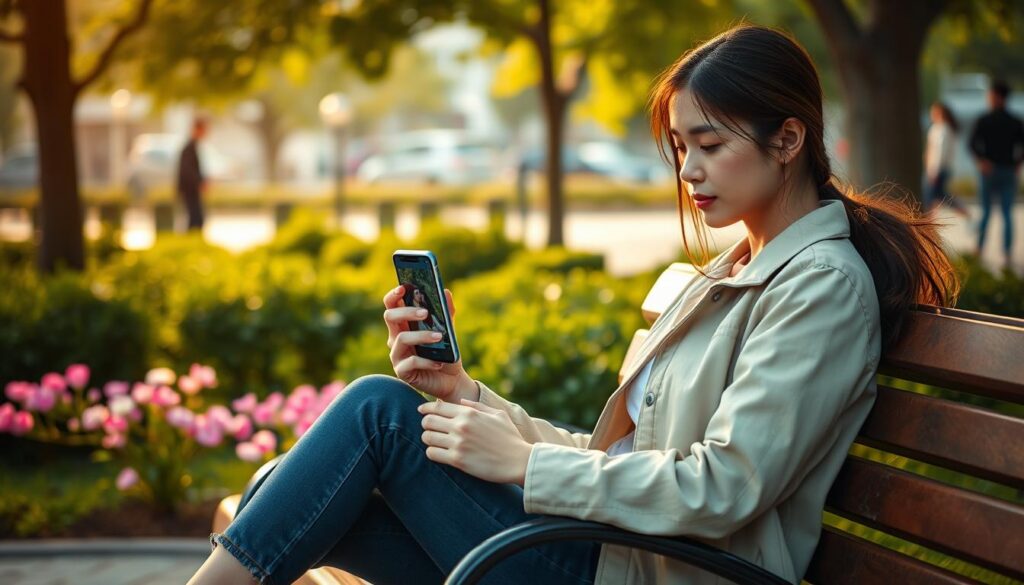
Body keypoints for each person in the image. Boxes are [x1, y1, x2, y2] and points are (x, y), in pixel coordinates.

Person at [188, 25, 959, 585]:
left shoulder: (819, 285)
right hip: (610, 553)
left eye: (711, 143)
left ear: (788, 139)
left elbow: (725, 487)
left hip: (656, 573)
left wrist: (524, 464)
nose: (689, 169)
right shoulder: (736, 269)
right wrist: (468, 397)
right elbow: (616, 462)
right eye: (680, 147)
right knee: (282, 495)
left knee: (375, 417)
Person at [968, 79, 1024, 269]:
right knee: (1007, 213)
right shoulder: (1015, 121)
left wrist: (982, 160)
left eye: (990, 95)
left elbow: (972, 144)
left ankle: (979, 249)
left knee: (986, 213)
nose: (988, 99)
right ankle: (1007, 253)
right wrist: (1017, 163)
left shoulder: (984, 120)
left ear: (997, 97)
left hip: (989, 171)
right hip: (1009, 170)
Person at [923, 102, 970, 220]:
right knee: (940, 196)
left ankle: (928, 223)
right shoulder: (937, 128)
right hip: (936, 169)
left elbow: (940, 153)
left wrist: (934, 171)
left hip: (938, 169)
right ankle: (965, 214)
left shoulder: (944, 129)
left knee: (933, 197)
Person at [177, 118, 208, 231]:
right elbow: (187, 171)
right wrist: (199, 182)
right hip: (190, 189)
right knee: (195, 219)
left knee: (196, 218)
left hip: (191, 189)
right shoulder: (189, 148)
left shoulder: (193, 147)